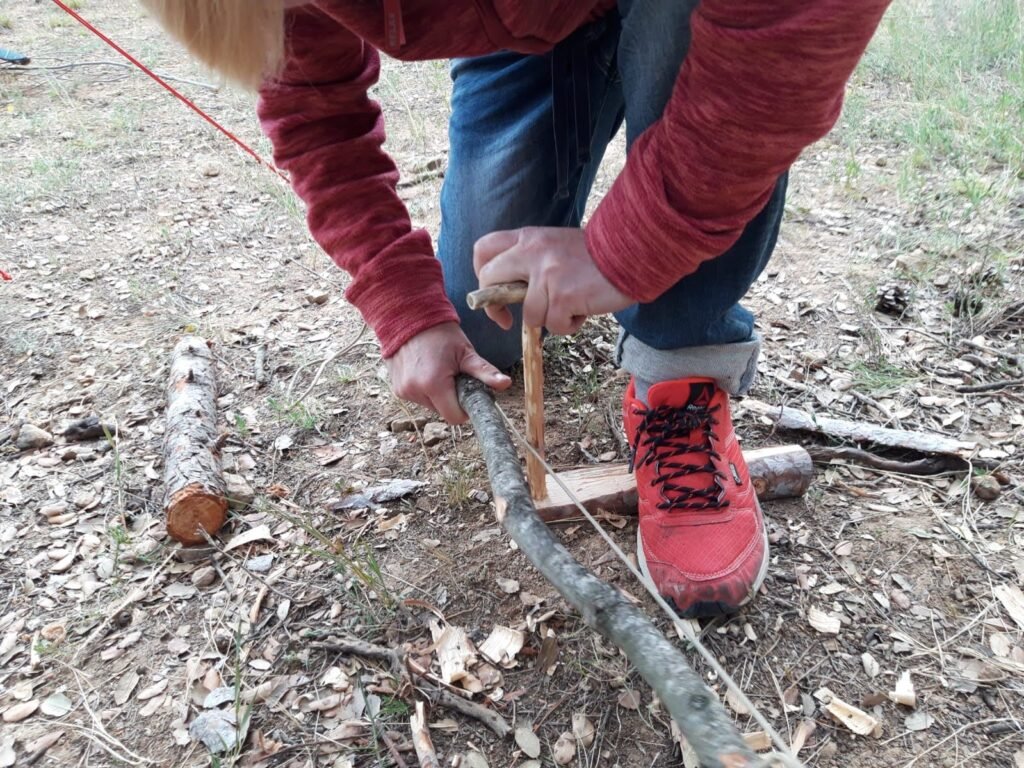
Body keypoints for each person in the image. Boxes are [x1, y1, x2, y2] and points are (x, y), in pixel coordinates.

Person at [143, 0, 890, 618]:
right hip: (525, 31)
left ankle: (680, 372)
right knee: (481, 322)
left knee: (688, 42)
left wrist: (631, 249)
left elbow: (778, 59)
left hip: (707, 18)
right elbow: (314, 112)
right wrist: (400, 298)